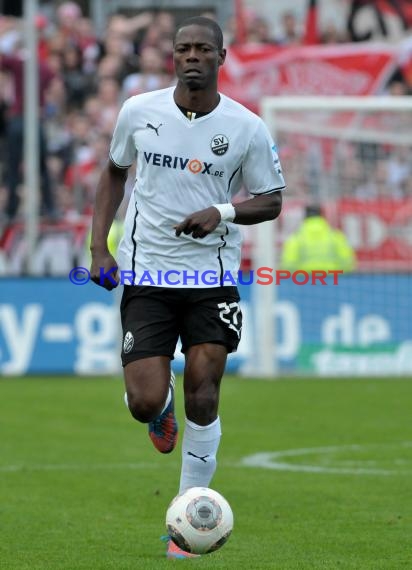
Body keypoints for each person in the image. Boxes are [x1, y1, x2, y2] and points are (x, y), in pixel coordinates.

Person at [89, 16, 285, 559]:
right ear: (172, 56)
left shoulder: (246, 126)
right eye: (183, 48)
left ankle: (187, 517)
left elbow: (271, 200)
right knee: (143, 398)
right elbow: (113, 172)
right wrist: (98, 248)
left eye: (203, 48)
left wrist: (220, 212)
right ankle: (158, 409)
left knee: (205, 388)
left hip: (212, 279)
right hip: (149, 273)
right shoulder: (139, 111)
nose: (192, 56)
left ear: (222, 56)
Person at [281, 205, 355, 273]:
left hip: (305, 281)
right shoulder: (336, 236)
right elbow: (347, 263)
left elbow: (288, 265)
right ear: (322, 216)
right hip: (332, 281)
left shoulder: (296, 239)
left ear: (305, 217)